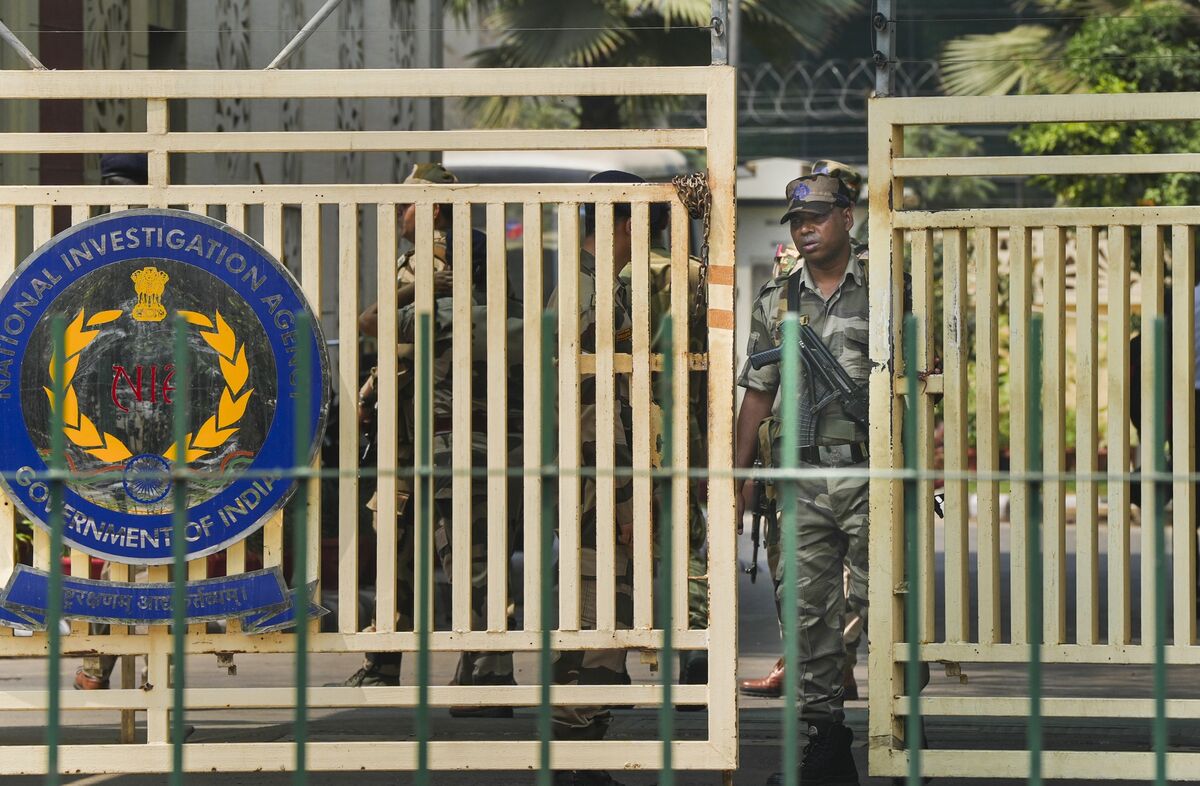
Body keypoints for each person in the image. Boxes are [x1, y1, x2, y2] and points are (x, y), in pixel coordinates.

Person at [343, 163, 519, 713]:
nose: (400, 213)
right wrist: (372, 390)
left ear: (434, 208)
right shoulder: (426, 260)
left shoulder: (446, 256)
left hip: (448, 428)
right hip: (412, 429)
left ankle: (487, 672)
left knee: (466, 549)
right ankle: (387, 664)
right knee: (400, 548)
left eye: (407, 204)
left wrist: (409, 294)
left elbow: (387, 325)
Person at [735, 168, 868, 786]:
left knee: (888, 604)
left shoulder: (885, 288)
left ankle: (903, 721)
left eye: (816, 217)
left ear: (847, 216)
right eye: (798, 221)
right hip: (802, 478)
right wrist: (736, 478)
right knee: (808, 611)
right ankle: (825, 741)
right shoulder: (778, 298)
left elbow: (924, 384)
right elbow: (758, 395)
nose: (806, 229)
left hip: (873, 473)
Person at [549, 170, 643, 786]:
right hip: (597, 482)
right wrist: (622, 496)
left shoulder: (588, 285)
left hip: (590, 477)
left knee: (592, 613)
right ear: (624, 222)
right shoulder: (593, 293)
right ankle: (578, 751)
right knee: (600, 614)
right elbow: (593, 407)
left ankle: (578, 750)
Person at [74, 152, 149, 691]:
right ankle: (147, 681)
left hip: (119, 420)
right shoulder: (167, 245)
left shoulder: (88, 251)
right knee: (141, 553)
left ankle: (102, 667)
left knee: (123, 549)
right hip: (125, 422)